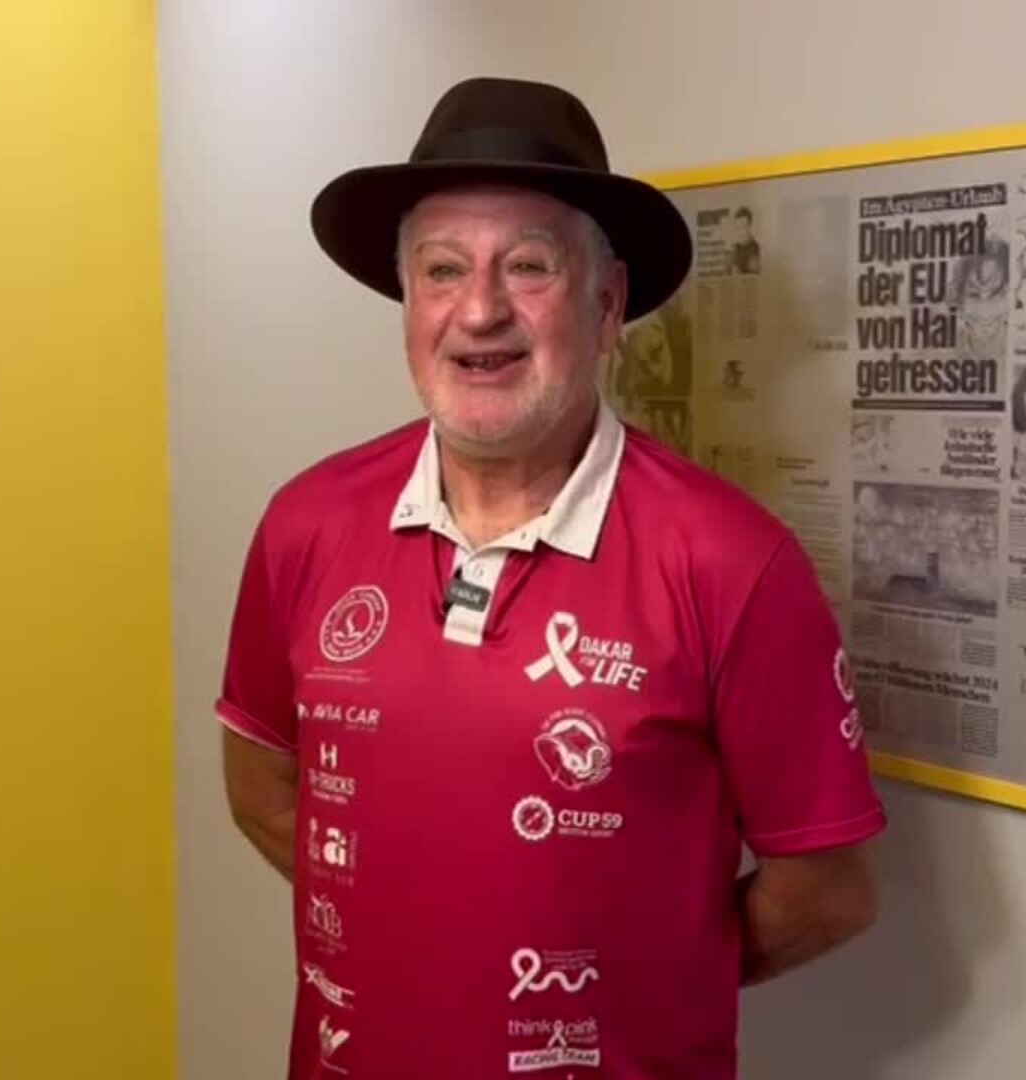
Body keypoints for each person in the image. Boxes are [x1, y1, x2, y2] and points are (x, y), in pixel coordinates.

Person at [217, 77, 885, 1079]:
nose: (479, 310)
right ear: (408, 301)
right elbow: (263, 789)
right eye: (443, 269)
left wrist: (640, 977)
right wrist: (415, 933)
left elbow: (828, 891)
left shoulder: (733, 563)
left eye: (528, 266)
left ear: (607, 304)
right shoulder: (306, 524)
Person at [730, 206, 761, 274]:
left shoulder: (754, 247)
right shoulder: (736, 247)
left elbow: (753, 275)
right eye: (738, 228)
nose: (740, 232)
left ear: (750, 226)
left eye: (743, 227)